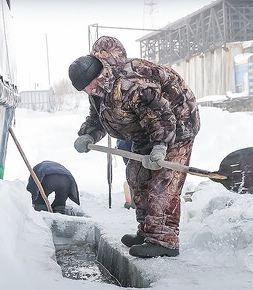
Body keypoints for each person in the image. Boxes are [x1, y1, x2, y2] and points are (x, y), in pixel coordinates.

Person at [68, 36, 200, 258]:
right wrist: (88, 135)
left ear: (96, 77)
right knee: (137, 176)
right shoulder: (100, 90)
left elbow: (160, 113)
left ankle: (164, 240)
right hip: (143, 131)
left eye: (87, 87)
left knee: (163, 182)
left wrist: (160, 146)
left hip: (176, 125)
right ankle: (147, 232)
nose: (87, 92)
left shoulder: (131, 83)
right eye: (84, 90)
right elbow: (101, 117)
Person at [116, 139, 135, 210]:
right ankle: (133, 202)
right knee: (133, 175)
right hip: (127, 147)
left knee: (133, 175)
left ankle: (134, 202)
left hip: (131, 147)